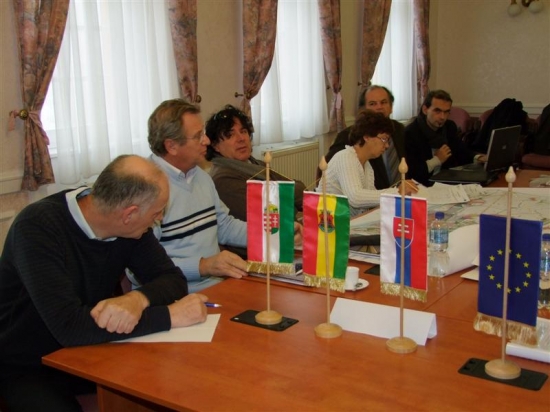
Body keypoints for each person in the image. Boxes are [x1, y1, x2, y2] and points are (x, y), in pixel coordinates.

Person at [0, 155, 208, 411]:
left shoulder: (130, 229)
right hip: (27, 362)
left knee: (180, 384)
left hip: (94, 346)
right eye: (157, 213)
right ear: (129, 214)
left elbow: (172, 279)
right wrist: (169, 316)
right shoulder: (37, 227)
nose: (159, 219)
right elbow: (69, 327)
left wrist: (137, 298)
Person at [145, 99, 249, 292]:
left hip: (216, 287)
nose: (207, 141)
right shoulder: (144, 187)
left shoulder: (200, 175)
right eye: (198, 136)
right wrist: (203, 266)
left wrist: (276, 235)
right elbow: (142, 268)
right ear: (171, 146)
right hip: (175, 295)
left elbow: (224, 226)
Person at [205, 105, 306, 222]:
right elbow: (276, 212)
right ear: (215, 145)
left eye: (243, 131)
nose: (241, 138)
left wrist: (285, 196)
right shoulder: (223, 179)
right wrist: (290, 199)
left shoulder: (256, 164)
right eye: (230, 135)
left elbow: (301, 189)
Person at [319, 110, 417, 217]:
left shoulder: (367, 165)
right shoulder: (346, 157)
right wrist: (397, 192)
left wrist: (398, 192)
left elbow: (370, 199)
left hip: (347, 220)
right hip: (328, 222)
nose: (387, 145)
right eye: (384, 139)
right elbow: (355, 198)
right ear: (366, 137)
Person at [320, 85, 406, 188]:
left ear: (391, 107)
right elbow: (326, 170)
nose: (379, 107)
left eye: (383, 102)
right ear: (363, 110)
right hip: (364, 194)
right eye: (372, 104)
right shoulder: (347, 136)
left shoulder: (399, 129)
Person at [404, 89, 486, 186]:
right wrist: (436, 160)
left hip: (446, 182)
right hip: (422, 185)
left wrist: (478, 157)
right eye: (437, 111)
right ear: (425, 110)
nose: (442, 117)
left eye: (446, 112)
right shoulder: (410, 133)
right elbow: (412, 172)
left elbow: (461, 150)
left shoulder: (449, 127)